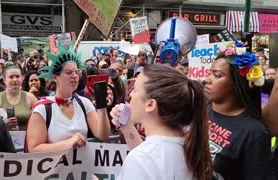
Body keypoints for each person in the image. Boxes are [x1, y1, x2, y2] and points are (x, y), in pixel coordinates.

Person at [110, 64, 213, 180]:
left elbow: (149, 160)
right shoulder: (190, 145)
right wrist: (127, 127)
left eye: (136, 89)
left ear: (150, 104)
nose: (130, 94)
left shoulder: (140, 160)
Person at [25, 44, 111, 153]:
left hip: (81, 168)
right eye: (68, 72)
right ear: (55, 77)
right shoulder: (42, 109)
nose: (75, 76)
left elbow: (103, 135)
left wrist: (101, 104)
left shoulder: (85, 103)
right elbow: (34, 148)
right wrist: (68, 144)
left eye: (77, 72)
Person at [205, 42, 271, 179]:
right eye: (209, 73)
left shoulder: (254, 132)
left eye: (217, 75)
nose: (207, 80)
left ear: (237, 83)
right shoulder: (202, 106)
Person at [0, 65, 38, 130]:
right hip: (1, 138)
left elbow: (40, 120)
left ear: (22, 78)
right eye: (11, 77)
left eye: (17, 76)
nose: (15, 79)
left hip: (26, 138)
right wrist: (2, 125)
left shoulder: (31, 97)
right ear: (4, 80)